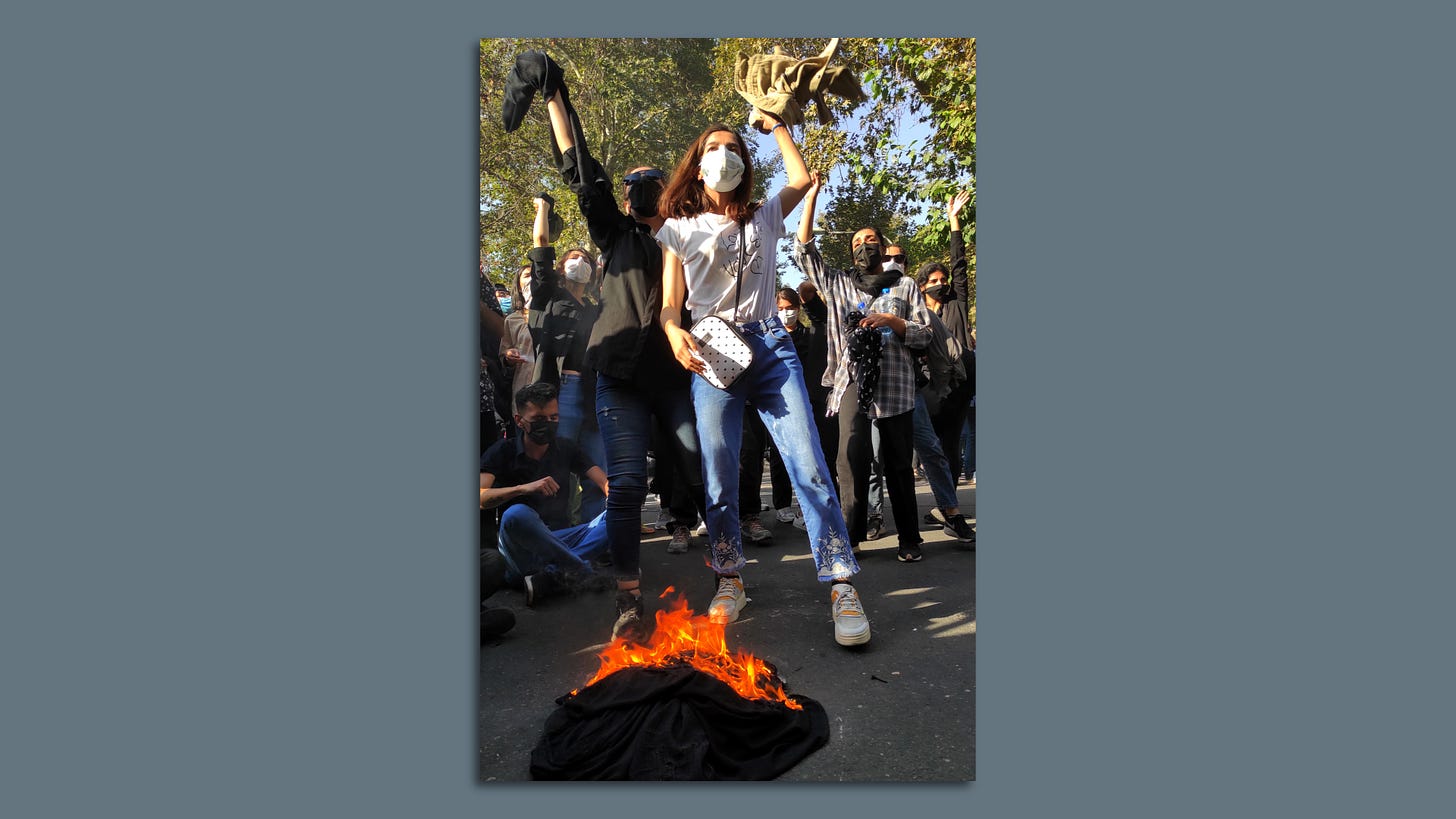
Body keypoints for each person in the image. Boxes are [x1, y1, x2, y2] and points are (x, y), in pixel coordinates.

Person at [656, 115, 869, 648]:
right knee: (720, 475)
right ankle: (730, 579)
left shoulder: (765, 216)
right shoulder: (677, 228)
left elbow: (799, 179)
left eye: (733, 148)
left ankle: (841, 584)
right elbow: (668, 304)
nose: (724, 156)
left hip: (772, 347)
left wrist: (776, 128)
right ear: (698, 165)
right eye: (713, 148)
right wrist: (673, 333)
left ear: (743, 164)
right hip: (710, 356)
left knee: (809, 467)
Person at [532, 71, 708, 644]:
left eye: (646, 182)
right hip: (621, 381)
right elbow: (578, 167)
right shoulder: (614, 236)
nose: (634, 188)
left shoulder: (687, 237)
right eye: (627, 183)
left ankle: (729, 568)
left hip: (680, 380)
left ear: (667, 189)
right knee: (627, 486)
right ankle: (629, 597)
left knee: (706, 464)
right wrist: (556, 95)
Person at [792, 173, 934, 564]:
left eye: (870, 241)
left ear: (883, 246)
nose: (864, 247)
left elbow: (925, 335)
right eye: (856, 242)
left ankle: (909, 539)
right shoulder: (838, 283)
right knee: (850, 459)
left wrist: (894, 323)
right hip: (851, 379)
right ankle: (851, 537)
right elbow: (803, 251)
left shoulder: (904, 286)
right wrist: (811, 196)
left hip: (896, 384)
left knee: (898, 462)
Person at [479, 382, 612, 607]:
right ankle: (581, 570)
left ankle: (551, 578)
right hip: (520, 549)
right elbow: (480, 498)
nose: (548, 424)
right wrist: (524, 488)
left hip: (561, 538)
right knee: (517, 514)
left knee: (618, 516)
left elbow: (603, 481)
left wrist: (617, 496)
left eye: (553, 418)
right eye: (539, 419)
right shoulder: (503, 451)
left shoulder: (566, 448)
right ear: (520, 421)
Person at [525, 194, 606, 523]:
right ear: (560, 268)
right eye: (573, 257)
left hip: (592, 397)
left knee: (597, 470)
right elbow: (542, 245)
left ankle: (593, 541)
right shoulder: (548, 296)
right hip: (557, 394)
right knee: (555, 472)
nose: (579, 262)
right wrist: (542, 209)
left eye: (585, 259)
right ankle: (554, 540)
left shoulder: (596, 309)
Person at [915, 190, 977, 489]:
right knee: (932, 443)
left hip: (961, 380)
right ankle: (942, 499)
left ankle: (949, 503)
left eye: (944, 280)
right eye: (933, 281)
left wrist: (954, 222)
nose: (941, 284)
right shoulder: (916, 312)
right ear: (922, 286)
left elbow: (960, 267)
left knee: (951, 441)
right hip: (929, 384)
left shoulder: (956, 304)